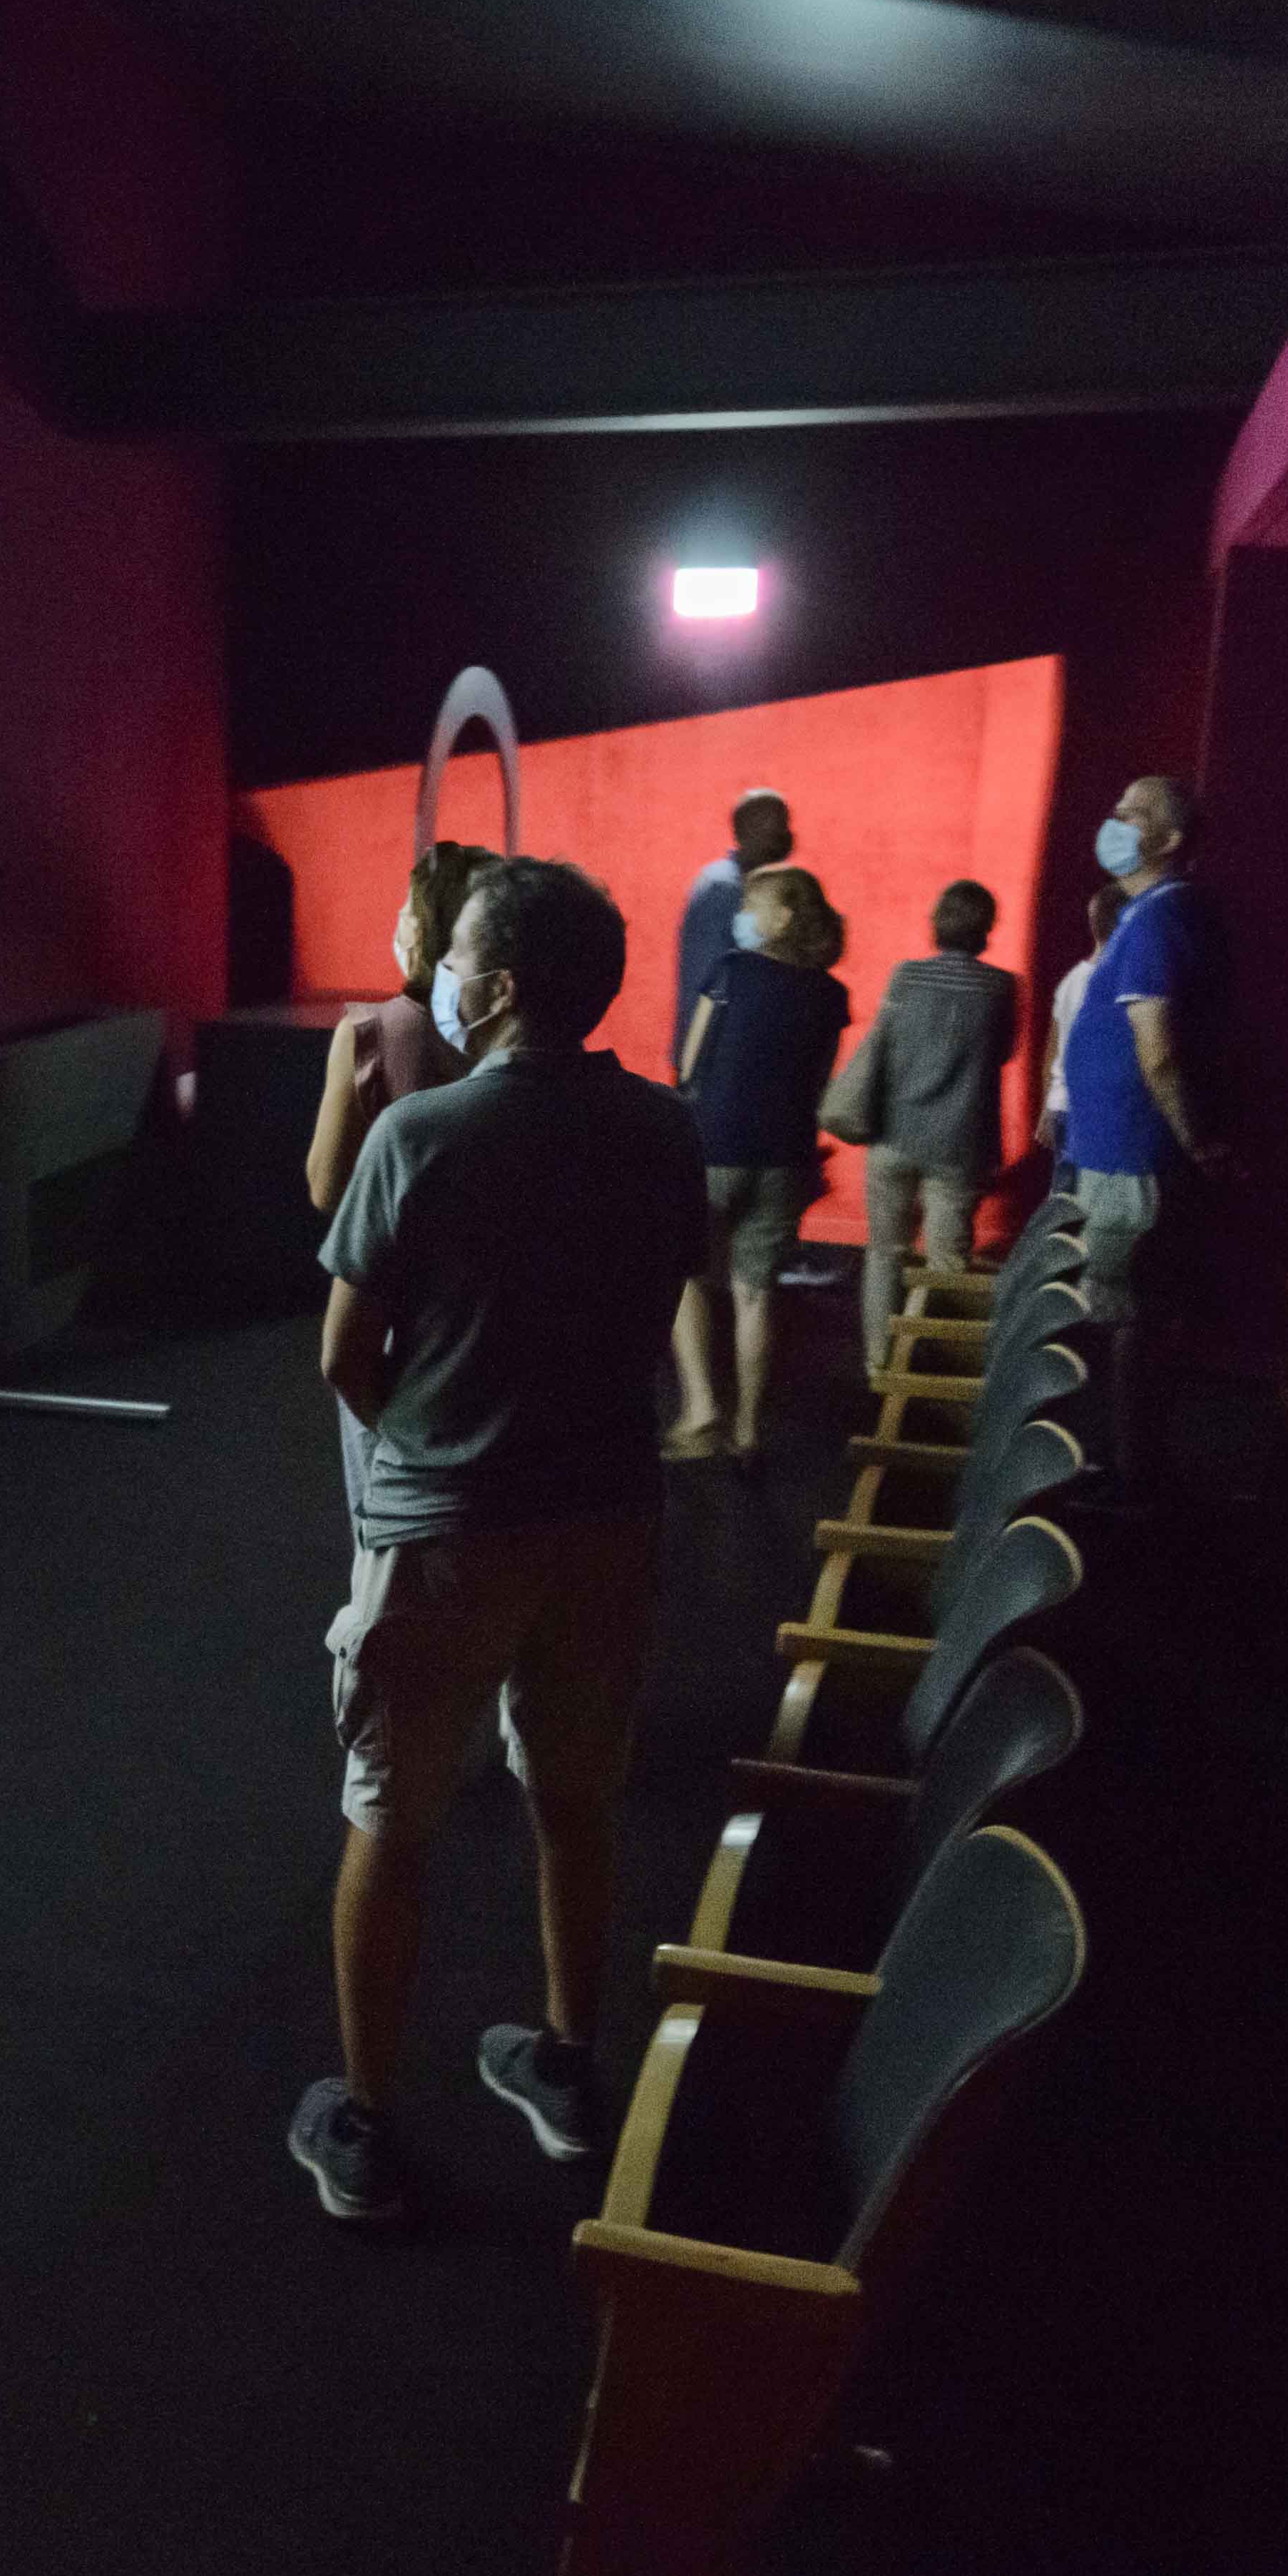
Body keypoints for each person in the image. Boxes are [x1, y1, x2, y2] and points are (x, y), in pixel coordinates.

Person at [295, 860, 705, 2227]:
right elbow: (659, 1306)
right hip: (609, 1518)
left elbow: (344, 1355)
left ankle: (364, 2121)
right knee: (578, 1801)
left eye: (458, 956)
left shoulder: (422, 1135)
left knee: (390, 1817)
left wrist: (428, 1437)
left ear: (504, 984)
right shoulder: (665, 1129)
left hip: (445, 1531)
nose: (443, 977)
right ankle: (568, 2064)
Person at [303, 837, 496, 1521]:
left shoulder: (369, 1036)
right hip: (497, 1300)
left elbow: (326, 1187)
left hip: (396, 1309)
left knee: (389, 1512)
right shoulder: (511, 1035)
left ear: (426, 925)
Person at [1056, 776, 1234, 1470]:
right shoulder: (1145, 913)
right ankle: (1123, 1464)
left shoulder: (1161, 916)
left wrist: (1195, 1140)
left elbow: (1157, 1051)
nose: (1114, 821)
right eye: (1116, 808)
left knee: (1127, 1316)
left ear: (1169, 839)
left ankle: (1125, 1472)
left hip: (1133, 1158)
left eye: (1132, 814)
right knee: (1122, 1314)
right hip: (1115, 1151)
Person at [670, 862, 851, 1462]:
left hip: (715, 1147)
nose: (742, 917)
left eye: (753, 905)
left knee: (685, 1274)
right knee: (756, 1294)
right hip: (786, 1157)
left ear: (785, 916)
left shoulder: (732, 969)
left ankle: (701, 1412)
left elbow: (690, 1065)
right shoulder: (831, 995)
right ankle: (748, 1430)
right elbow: (820, 1082)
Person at [839, 879, 1021, 1372]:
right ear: (987, 927)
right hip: (959, 1145)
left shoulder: (905, 977)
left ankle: (880, 1368)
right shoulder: (1001, 988)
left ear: (937, 922)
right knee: (947, 1265)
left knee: (885, 1253)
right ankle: (937, 1376)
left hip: (893, 1135)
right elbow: (1004, 1051)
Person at [673, 787, 794, 1037]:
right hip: (717, 1050)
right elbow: (708, 984)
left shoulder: (747, 885)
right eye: (775, 827)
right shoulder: (725, 888)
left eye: (785, 825)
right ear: (745, 831)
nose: (785, 836)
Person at [1033, 880, 1127, 1181]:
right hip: (1101, 1114)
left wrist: (1047, 1106)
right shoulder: (1123, 985)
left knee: (1067, 1200)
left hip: (1063, 1108)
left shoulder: (1072, 980)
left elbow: (1052, 1053)